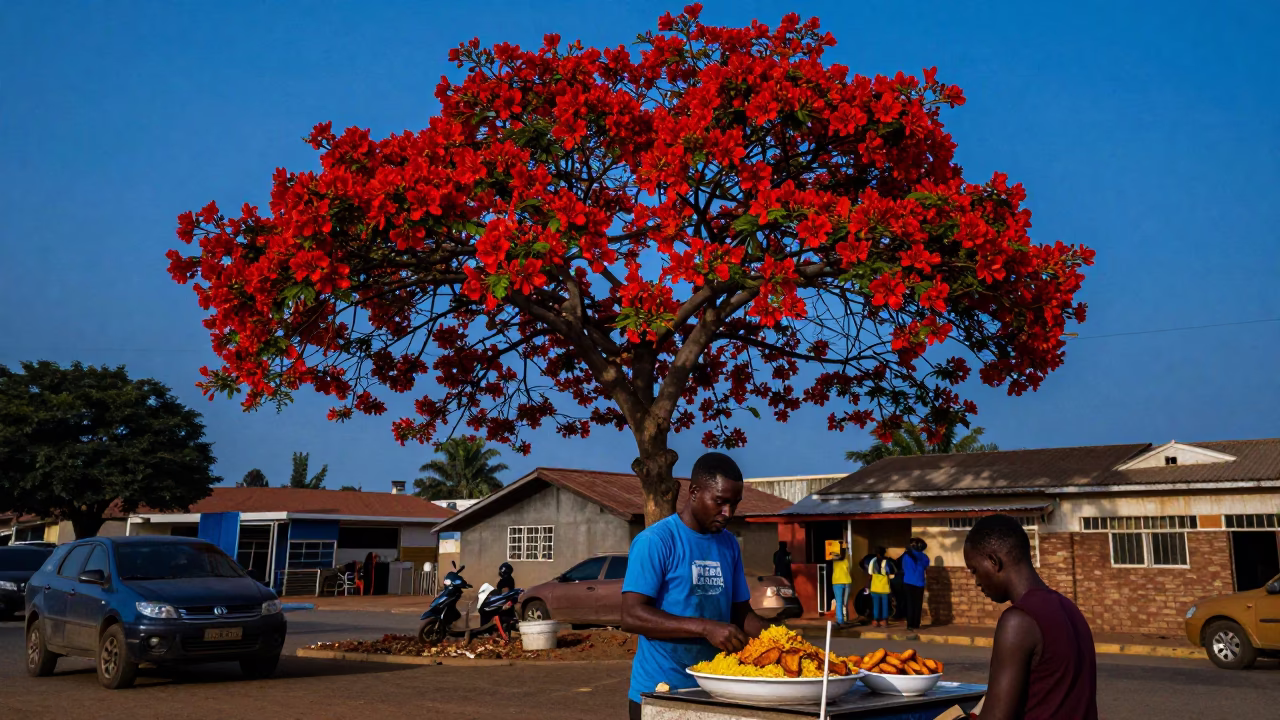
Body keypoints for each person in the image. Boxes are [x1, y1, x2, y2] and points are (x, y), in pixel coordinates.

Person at [621, 452, 768, 720]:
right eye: (720, 502)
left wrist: (781, 639)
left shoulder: (728, 544)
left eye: (734, 504)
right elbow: (631, 615)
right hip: (661, 692)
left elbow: (741, 613)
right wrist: (705, 628)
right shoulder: (656, 541)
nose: (728, 513)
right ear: (694, 492)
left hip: (716, 690)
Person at [964, 514, 1097, 720]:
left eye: (974, 570)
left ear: (993, 561)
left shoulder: (1018, 621)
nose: (976, 582)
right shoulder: (1069, 608)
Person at [898, 538, 930, 631]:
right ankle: (916, 624)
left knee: (910, 604)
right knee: (918, 604)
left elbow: (903, 567)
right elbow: (926, 567)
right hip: (920, 583)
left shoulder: (906, 556)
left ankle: (910, 625)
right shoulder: (924, 557)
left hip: (908, 582)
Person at [867, 546, 895, 627]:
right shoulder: (887, 562)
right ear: (884, 553)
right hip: (885, 587)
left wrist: (867, 585)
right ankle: (884, 621)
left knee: (876, 605)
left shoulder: (872, 561)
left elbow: (870, 574)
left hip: (875, 587)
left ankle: (875, 621)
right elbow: (891, 575)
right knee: (885, 605)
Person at [830, 542, 852, 625]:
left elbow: (830, 554)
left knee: (839, 602)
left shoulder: (834, 559)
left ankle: (840, 621)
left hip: (837, 582)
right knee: (845, 603)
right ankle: (846, 620)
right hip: (847, 581)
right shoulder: (847, 559)